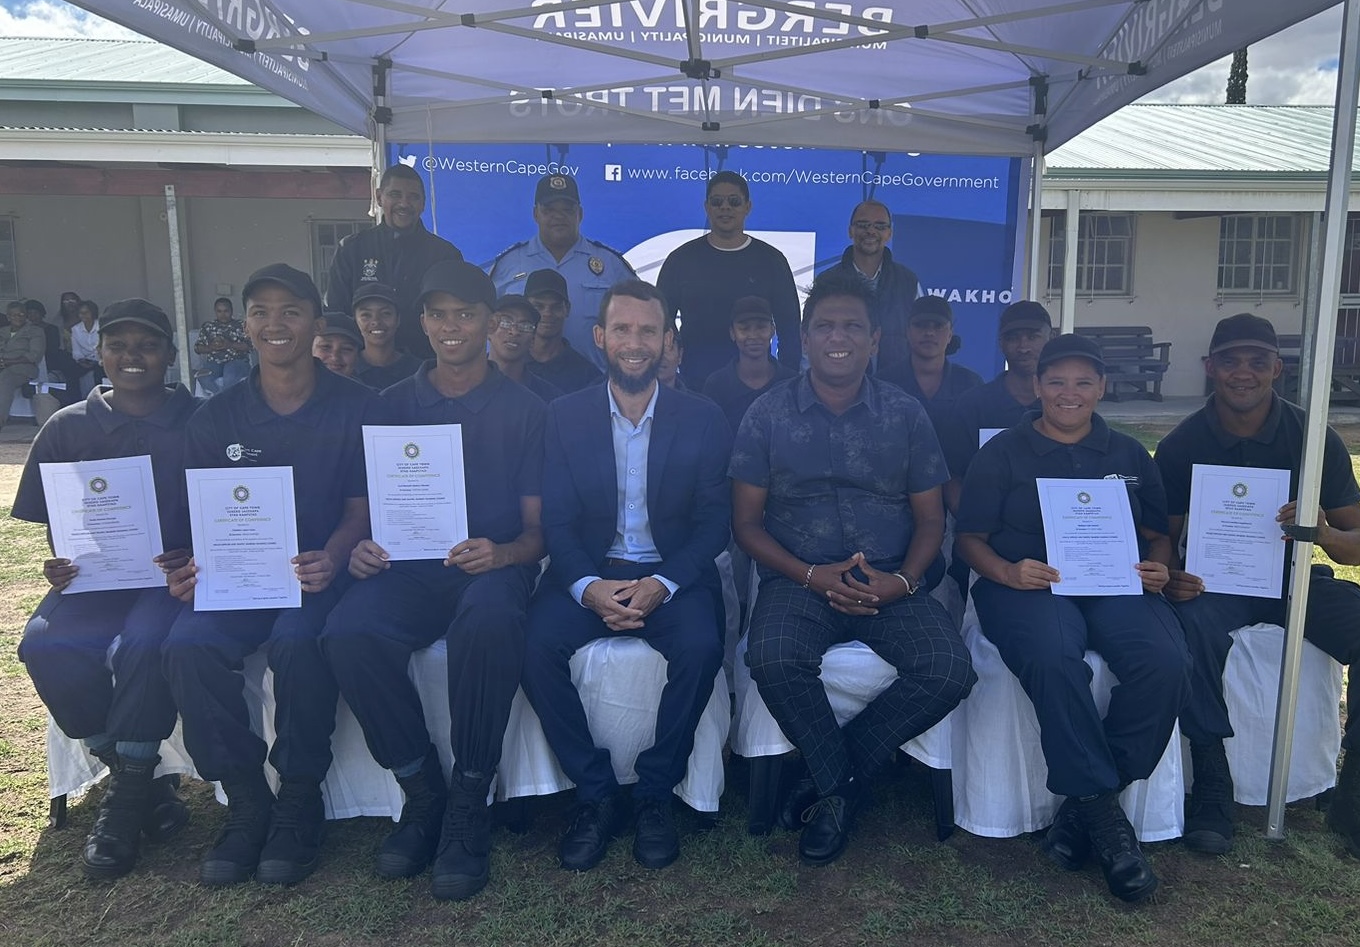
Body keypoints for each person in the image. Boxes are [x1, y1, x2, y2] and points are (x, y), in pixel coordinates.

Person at [1154, 313, 1360, 871]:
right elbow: (1165, 539)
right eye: (1229, 360)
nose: (1242, 373)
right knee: (1188, 624)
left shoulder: (1314, 435)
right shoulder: (1181, 445)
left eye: (1256, 361)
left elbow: (1356, 547)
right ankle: (1213, 783)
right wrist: (1173, 573)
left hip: (1295, 579)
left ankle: (1358, 793)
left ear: (1278, 367)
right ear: (1210, 369)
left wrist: (1319, 529)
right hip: (1215, 583)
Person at [731, 271, 974, 866]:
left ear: (874, 341)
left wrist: (905, 583)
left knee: (949, 670)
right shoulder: (766, 415)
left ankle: (832, 779)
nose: (837, 337)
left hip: (892, 578)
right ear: (805, 340)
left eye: (851, 327)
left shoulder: (906, 414)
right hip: (799, 579)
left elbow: (930, 521)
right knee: (771, 656)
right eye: (824, 327)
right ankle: (844, 787)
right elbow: (747, 526)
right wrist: (811, 576)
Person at [322, 261, 547, 900]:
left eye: (466, 313)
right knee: (348, 632)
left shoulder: (526, 409)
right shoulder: (387, 407)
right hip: (408, 570)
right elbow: (364, 516)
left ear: (490, 322)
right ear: (421, 323)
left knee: (490, 620)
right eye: (438, 314)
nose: (452, 327)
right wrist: (361, 551)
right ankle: (423, 791)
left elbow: (539, 533)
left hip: (490, 570)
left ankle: (469, 798)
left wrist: (503, 555)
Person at [161, 263, 383, 887]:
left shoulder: (359, 408)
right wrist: (187, 572)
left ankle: (299, 797)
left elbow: (362, 509)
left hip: (317, 575)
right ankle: (247, 797)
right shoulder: (215, 418)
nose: (274, 323)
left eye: (290, 310)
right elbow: (194, 525)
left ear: (315, 322)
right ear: (246, 325)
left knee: (298, 642)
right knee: (186, 645)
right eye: (260, 311)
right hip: (237, 579)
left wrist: (335, 555)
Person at [954, 333, 1189, 903]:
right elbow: (969, 540)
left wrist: (1158, 567)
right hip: (1029, 586)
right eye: (1056, 381)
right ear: (1036, 386)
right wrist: (1007, 574)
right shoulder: (1003, 452)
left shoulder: (1130, 455)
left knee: (1166, 658)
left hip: (1114, 585)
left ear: (1102, 388)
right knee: (1054, 658)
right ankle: (1108, 823)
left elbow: (1159, 536)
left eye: (1084, 382)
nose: (1069, 393)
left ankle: (1087, 805)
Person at [521, 280, 730, 873]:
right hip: (591, 570)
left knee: (700, 646)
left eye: (647, 331)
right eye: (622, 329)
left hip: (670, 575)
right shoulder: (563, 417)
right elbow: (556, 522)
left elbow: (715, 522)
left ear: (668, 341)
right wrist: (588, 587)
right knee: (534, 647)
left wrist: (662, 584)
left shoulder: (703, 418)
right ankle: (594, 795)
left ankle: (655, 794)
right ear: (599, 338)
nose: (634, 343)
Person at [13, 299, 196, 880]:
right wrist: (57, 563)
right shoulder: (67, 425)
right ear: (101, 354)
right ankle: (136, 783)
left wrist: (194, 554)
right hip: (95, 582)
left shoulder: (203, 419)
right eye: (118, 345)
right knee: (43, 645)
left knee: (145, 645)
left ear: (169, 354)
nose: (132, 356)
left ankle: (124, 809)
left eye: (147, 345)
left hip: (172, 583)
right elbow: (54, 522)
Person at [938, 299, 1053, 605]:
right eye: (1014, 337)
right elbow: (951, 476)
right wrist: (977, 523)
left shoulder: (1064, 406)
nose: (1023, 346)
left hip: (1056, 542)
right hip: (985, 541)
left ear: (1049, 337)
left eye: (1033, 336)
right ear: (1001, 343)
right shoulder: (972, 405)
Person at [656, 171, 800, 385]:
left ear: (747, 207)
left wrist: (789, 385)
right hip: (696, 383)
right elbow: (662, 322)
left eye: (734, 201)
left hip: (758, 387)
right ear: (707, 207)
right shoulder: (681, 260)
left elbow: (790, 329)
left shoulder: (771, 260)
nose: (725, 208)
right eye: (717, 202)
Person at [489, 174, 637, 370]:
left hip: (591, 385)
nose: (558, 217)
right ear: (535, 214)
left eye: (567, 210)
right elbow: (485, 325)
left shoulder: (611, 266)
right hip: (518, 384)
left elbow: (637, 324)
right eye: (549, 210)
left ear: (580, 214)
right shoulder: (508, 264)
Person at [327, 163, 463, 359]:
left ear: (424, 203)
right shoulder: (352, 250)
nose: (404, 203)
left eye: (413, 197)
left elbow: (452, 315)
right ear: (379, 197)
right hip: (363, 369)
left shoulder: (445, 255)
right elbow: (337, 315)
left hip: (425, 366)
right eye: (395, 195)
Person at [813, 200, 923, 371]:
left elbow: (920, 336)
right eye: (863, 225)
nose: (871, 231)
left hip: (897, 386)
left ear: (889, 233)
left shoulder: (907, 281)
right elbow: (813, 336)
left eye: (880, 226)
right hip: (840, 384)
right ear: (850, 230)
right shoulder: (827, 280)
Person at [700, 296, 797, 438]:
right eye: (744, 328)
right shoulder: (716, 386)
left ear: (772, 330)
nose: (753, 335)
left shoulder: (792, 382)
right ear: (732, 333)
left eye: (761, 327)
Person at [877, 296, 983, 413]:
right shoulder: (883, 383)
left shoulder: (971, 384)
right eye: (920, 325)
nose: (929, 332)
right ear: (907, 331)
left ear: (950, 334)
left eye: (938, 326)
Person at [521, 268, 602, 394]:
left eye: (556, 307)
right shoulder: (510, 363)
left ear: (567, 309)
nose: (547, 313)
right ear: (525, 307)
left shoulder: (587, 375)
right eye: (539, 306)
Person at [487, 294, 560, 402]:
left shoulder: (548, 398)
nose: (514, 332)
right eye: (506, 322)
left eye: (525, 326)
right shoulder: (460, 385)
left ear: (533, 339)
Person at [351, 282, 422, 391]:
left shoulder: (419, 371)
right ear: (355, 320)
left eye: (385, 313)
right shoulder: (348, 367)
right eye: (366, 315)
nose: (376, 321)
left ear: (398, 319)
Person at [0, 300, 46, 431]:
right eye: (14, 315)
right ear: (8, 317)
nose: (18, 317)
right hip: (3, 366)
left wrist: (9, 362)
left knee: (5, 380)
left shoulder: (35, 331)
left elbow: (35, 355)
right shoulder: (2, 331)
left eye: (21, 314)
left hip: (23, 368)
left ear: (26, 316)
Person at [194, 297, 252, 396]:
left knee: (229, 377)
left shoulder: (241, 325)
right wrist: (211, 347)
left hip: (237, 360)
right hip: (214, 362)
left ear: (231, 311)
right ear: (215, 311)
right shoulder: (208, 327)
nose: (223, 315)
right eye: (219, 311)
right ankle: (221, 398)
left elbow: (250, 346)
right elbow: (198, 348)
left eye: (226, 311)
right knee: (202, 377)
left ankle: (223, 401)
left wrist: (230, 344)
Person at [313, 312, 364, 379]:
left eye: (346, 349)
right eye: (326, 347)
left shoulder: (365, 389)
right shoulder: (295, 388)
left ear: (357, 356)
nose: (335, 357)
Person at [70, 299, 102, 394]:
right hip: (83, 361)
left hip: (100, 361)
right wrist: (81, 360)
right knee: (71, 375)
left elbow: (104, 348)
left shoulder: (102, 326)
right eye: (81, 313)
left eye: (86, 312)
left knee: (99, 374)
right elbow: (76, 351)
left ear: (93, 313)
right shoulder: (75, 329)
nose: (83, 315)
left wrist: (95, 361)